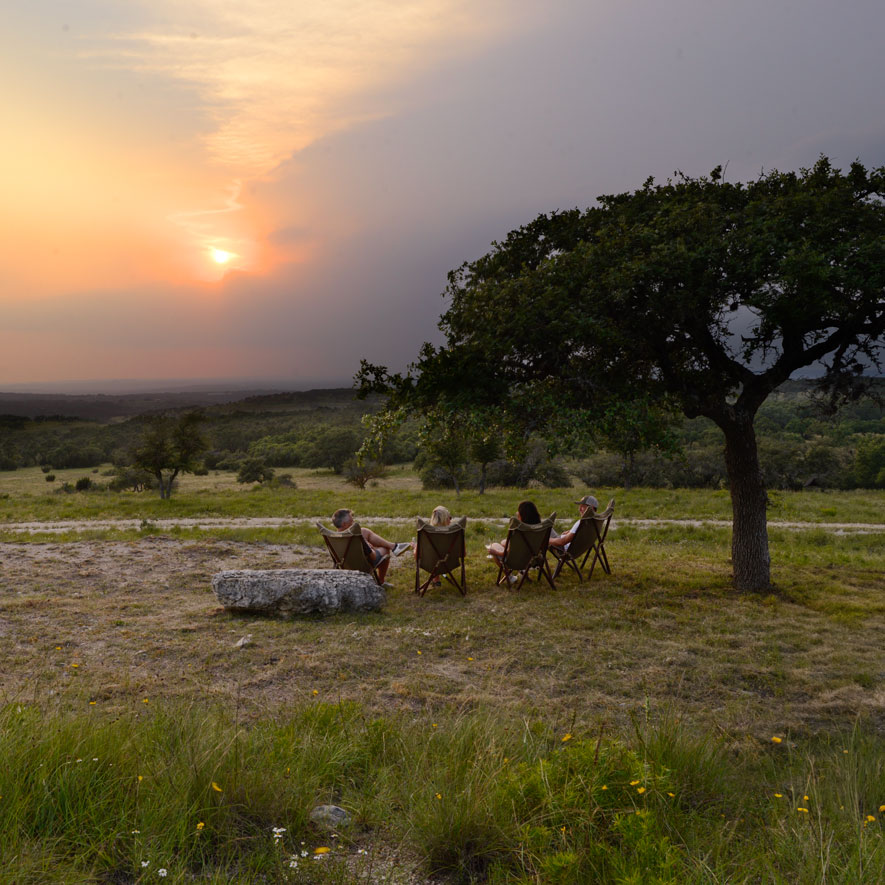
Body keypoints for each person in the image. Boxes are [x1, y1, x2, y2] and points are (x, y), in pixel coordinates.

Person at [331, 508, 410, 584]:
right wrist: (371, 548)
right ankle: (380, 581)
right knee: (385, 549)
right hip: (361, 565)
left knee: (364, 531)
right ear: (344, 524)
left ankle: (393, 546)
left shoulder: (333, 538)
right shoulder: (357, 538)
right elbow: (373, 557)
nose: (354, 522)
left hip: (344, 564)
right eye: (352, 521)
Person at [486, 500, 542, 565]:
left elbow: (508, 553)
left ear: (522, 515)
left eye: (518, 511)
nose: (517, 512)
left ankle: (509, 575)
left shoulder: (519, 532)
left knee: (494, 545)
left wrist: (495, 552)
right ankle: (523, 573)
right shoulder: (540, 528)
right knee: (504, 542)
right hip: (535, 560)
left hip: (517, 562)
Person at [414, 505, 453, 587]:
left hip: (430, 564)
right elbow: (463, 554)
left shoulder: (426, 535)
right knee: (439, 553)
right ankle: (436, 579)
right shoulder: (454, 534)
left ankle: (436, 579)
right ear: (446, 519)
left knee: (433, 554)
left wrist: (415, 547)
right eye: (450, 517)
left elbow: (417, 555)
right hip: (450, 563)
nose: (451, 520)